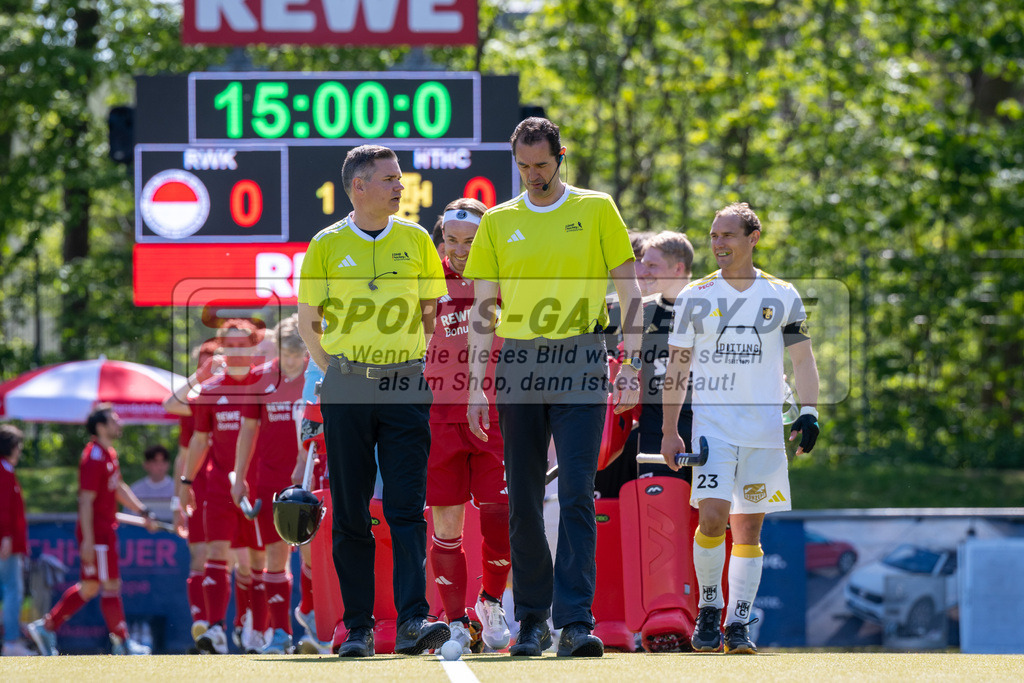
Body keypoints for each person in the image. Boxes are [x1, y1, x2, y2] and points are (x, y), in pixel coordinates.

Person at [463, 117, 643, 658]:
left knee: (575, 495)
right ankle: (533, 620)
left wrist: (630, 362)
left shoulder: (596, 208)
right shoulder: (497, 220)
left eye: (542, 164)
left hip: (583, 356)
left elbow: (629, 290)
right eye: (523, 166)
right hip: (517, 360)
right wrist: (476, 386)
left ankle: (576, 621)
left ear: (560, 157)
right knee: (521, 497)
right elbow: (482, 310)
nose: (533, 175)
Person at [297, 144, 450, 658]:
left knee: (408, 509)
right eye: (388, 178)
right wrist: (336, 368)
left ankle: (412, 621)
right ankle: (357, 628)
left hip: (405, 385)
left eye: (398, 178)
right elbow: (307, 323)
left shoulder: (416, 240)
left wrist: (406, 360)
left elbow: (429, 312)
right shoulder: (324, 244)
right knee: (351, 512)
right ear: (358, 186)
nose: (398, 186)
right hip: (345, 387)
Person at [661, 202, 821, 654]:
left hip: (765, 429)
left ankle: (738, 624)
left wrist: (809, 412)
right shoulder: (696, 294)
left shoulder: (782, 293)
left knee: (748, 530)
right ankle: (709, 609)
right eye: (713, 236)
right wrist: (670, 431)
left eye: (727, 235)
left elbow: (803, 360)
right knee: (712, 518)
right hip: (713, 426)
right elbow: (679, 365)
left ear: (752, 238)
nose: (718, 244)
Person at [423, 198, 512, 653]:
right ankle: (455, 621)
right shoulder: (424, 277)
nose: (460, 250)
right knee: (447, 523)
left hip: (495, 415)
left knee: (500, 519)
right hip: (439, 417)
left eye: (470, 241)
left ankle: (491, 601)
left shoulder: (503, 276)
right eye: (452, 241)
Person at [28, 406, 157, 656]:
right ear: (101, 426)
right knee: (110, 585)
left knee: (89, 587)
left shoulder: (108, 453)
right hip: (97, 534)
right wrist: (87, 540)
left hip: (103, 531)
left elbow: (118, 487)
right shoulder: (94, 457)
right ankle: (123, 644)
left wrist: (142, 511)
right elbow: (85, 501)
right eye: (114, 420)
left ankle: (46, 627)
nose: (119, 424)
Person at [179, 319, 263, 654]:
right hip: (218, 487)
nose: (237, 351)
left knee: (256, 562)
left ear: (254, 348)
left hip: (258, 487)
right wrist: (186, 482)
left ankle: (259, 630)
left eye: (244, 345)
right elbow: (199, 441)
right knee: (216, 555)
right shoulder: (209, 390)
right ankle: (215, 629)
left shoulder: (267, 386)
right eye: (230, 345)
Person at [233, 314, 308, 655]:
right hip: (269, 484)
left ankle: (316, 629)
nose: (292, 360)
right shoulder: (260, 379)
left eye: (298, 353)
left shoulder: (315, 376)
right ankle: (280, 634)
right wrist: (240, 477)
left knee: (312, 559)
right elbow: (247, 431)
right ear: (276, 349)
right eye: (287, 353)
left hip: (310, 480)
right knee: (274, 558)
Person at [0, 425, 33, 656]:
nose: (20, 451)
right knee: (13, 590)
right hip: (6, 542)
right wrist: (6, 536)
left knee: (12, 589)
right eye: (18, 446)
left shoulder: (6, 470)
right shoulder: (4, 471)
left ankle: (11, 640)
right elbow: (3, 509)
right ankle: (11, 641)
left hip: (8, 540)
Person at [130, 445, 175, 523]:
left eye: (163, 461)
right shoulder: (134, 491)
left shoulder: (177, 489)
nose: (160, 466)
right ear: (146, 465)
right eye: (155, 461)